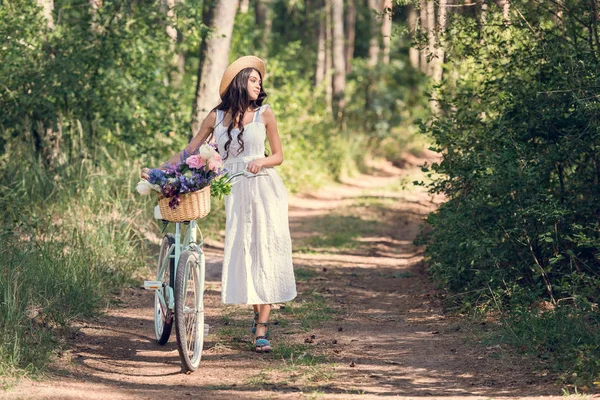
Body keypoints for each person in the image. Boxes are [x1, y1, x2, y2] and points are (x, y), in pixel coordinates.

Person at [143, 56, 297, 353]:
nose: (258, 85)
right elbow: (189, 150)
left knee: (264, 249)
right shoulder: (217, 117)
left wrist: (260, 161)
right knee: (245, 251)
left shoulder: (265, 114)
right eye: (253, 80)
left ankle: (262, 327)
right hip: (235, 191)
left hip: (264, 187)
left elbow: (278, 155)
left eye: (259, 81)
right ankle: (257, 311)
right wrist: (159, 170)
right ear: (240, 82)